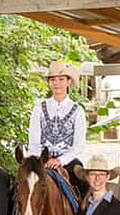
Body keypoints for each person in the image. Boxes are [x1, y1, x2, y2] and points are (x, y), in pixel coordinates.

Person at [26, 59, 88, 190]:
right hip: (41, 160)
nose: (57, 83)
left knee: (84, 186)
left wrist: (60, 161)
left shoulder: (77, 111)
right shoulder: (39, 108)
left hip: (68, 162)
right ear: (48, 83)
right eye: (53, 80)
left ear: (68, 82)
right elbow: (33, 141)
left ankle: (84, 210)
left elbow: (79, 146)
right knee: (19, 186)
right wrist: (42, 159)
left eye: (61, 79)